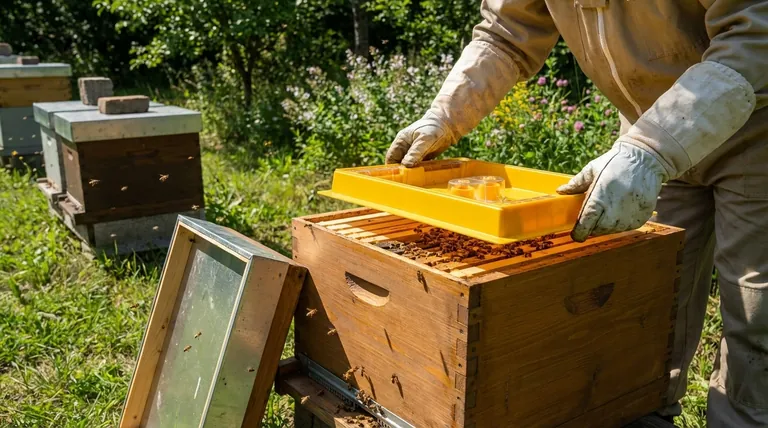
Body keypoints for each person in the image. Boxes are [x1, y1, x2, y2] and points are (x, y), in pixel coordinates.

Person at [385, 1, 768, 426]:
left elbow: (755, 32)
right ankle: (643, 413)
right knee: (650, 301)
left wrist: (652, 149)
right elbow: (505, 32)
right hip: (650, 128)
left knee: (756, 316)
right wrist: (446, 115)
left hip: (756, 129)